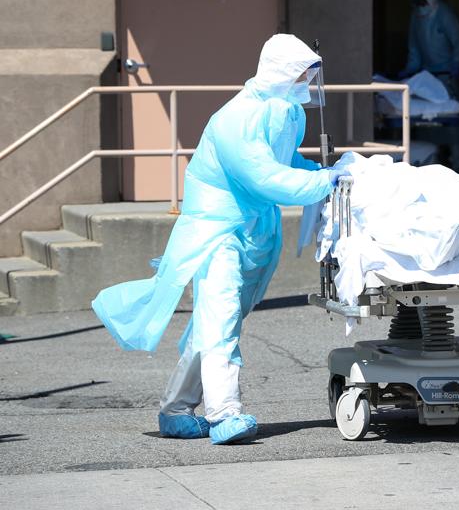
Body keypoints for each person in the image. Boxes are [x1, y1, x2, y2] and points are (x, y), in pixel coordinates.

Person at [92, 34, 344, 445]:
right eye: (301, 73)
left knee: (212, 324)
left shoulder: (285, 112)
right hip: (217, 232)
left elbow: (285, 161)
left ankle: (175, 408)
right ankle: (224, 413)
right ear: (281, 71)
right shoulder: (236, 119)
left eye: (310, 74)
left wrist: (325, 168)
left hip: (252, 230)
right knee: (221, 319)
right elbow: (264, 176)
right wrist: (320, 181)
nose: (306, 81)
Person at [397, 0, 459, 100]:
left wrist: (457, 62)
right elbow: (414, 46)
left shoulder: (444, 14)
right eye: (416, 3)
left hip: (448, 72)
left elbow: (458, 39)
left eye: (422, 3)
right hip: (427, 72)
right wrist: (411, 68)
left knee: (449, 102)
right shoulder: (415, 16)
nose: (420, 7)